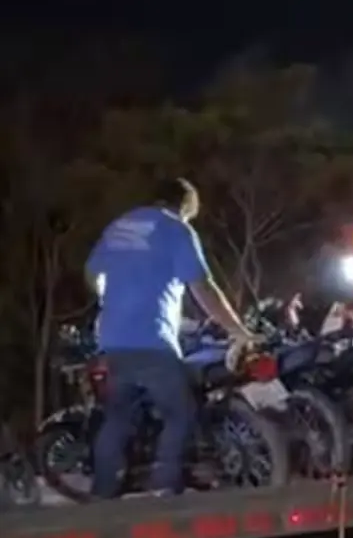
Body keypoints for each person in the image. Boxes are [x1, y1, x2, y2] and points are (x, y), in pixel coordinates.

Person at [84, 178, 256, 499]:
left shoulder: (120, 226)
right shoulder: (176, 229)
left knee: (118, 417)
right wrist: (236, 329)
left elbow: (92, 272)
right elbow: (203, 288)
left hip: (111, 341)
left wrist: (112, 300)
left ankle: (102, 494)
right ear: (185, 205)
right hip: (152, 340)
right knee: (179, 412)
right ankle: (163, 485)